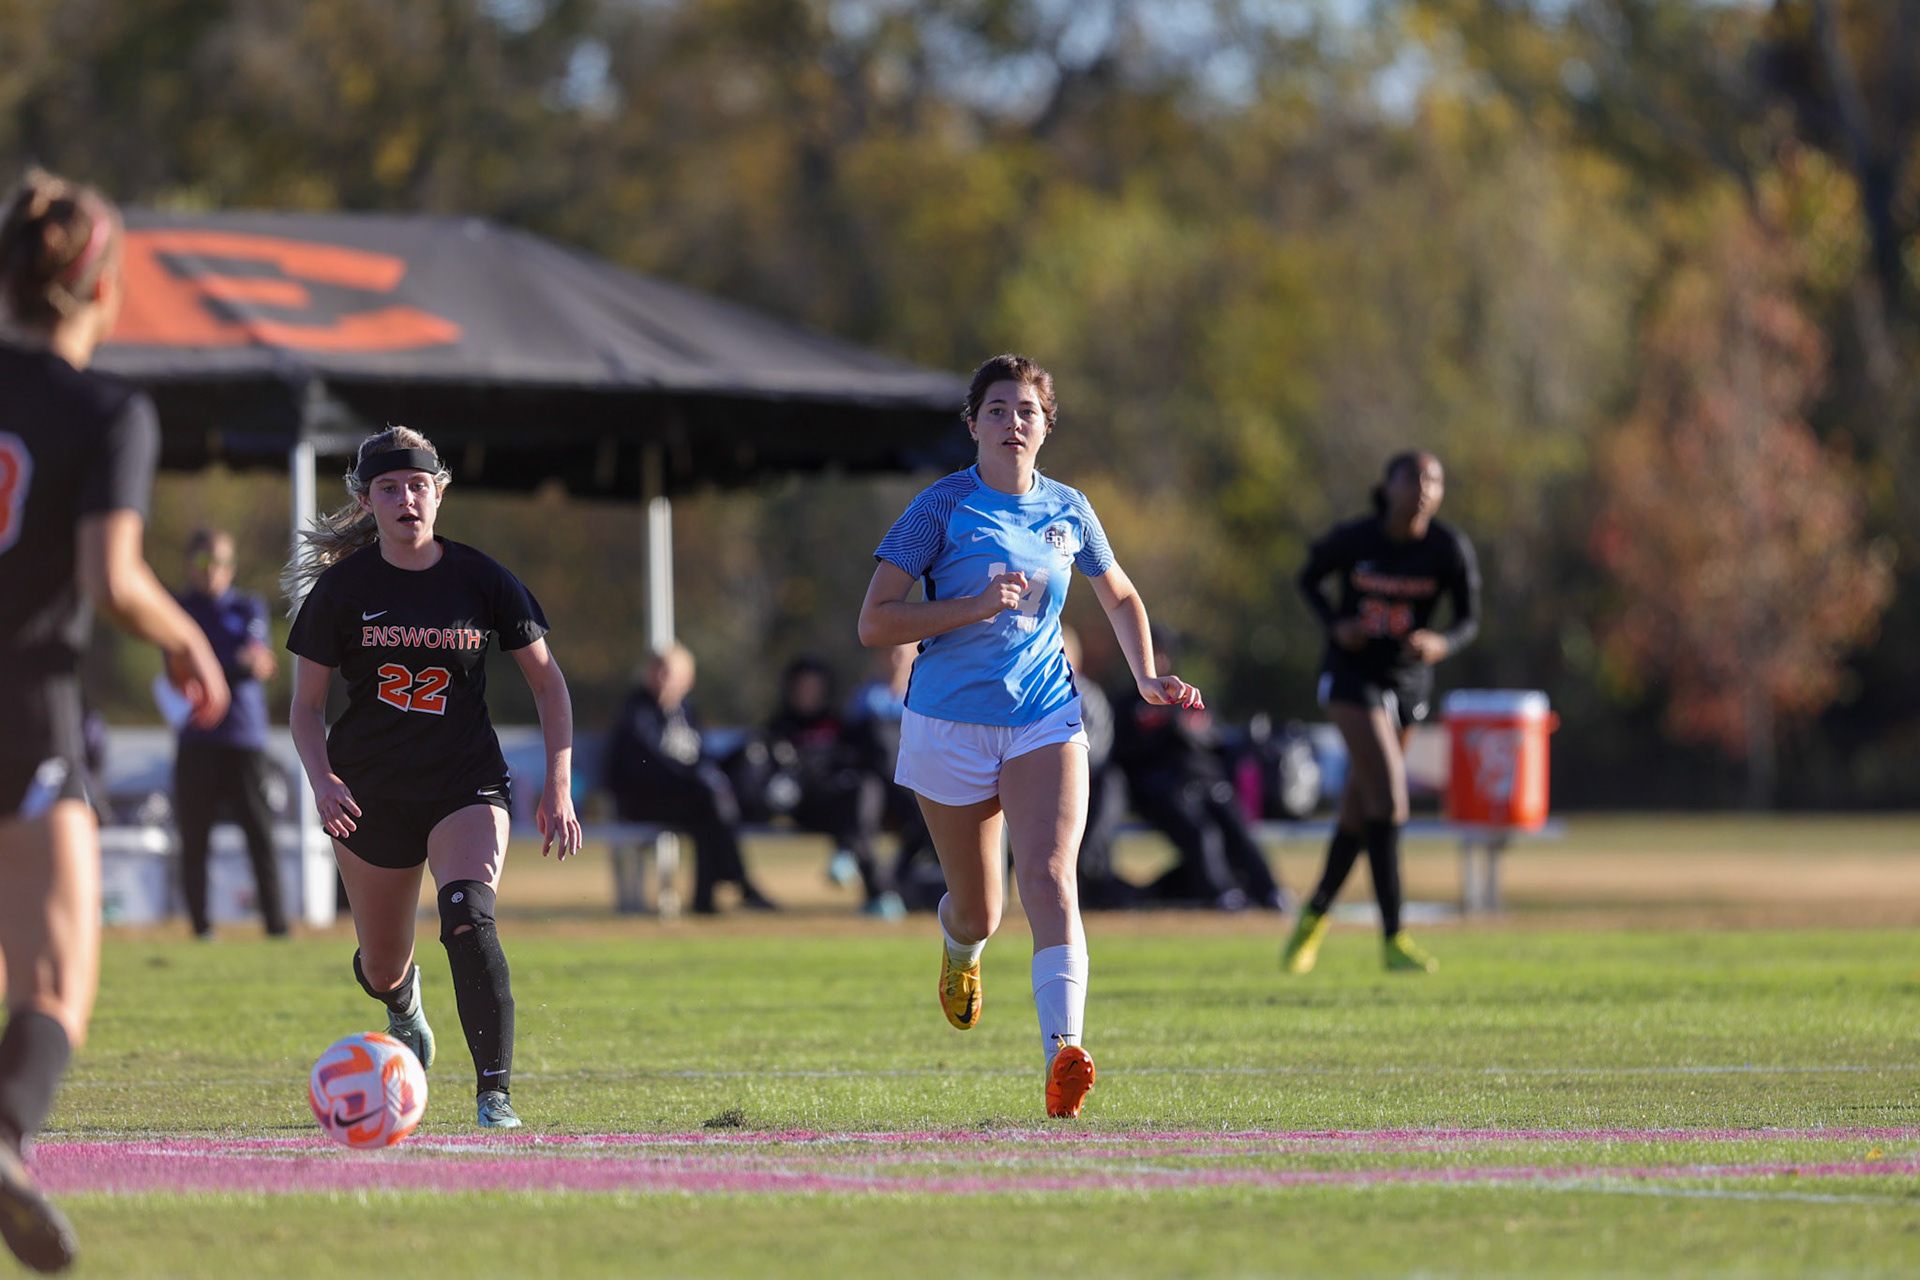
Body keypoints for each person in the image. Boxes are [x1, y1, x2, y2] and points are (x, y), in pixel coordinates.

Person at [858, 352, 1202, 1120]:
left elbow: (1119, 596)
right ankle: (961, 949)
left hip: (1046, 713)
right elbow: (874, 621)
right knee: (981, 908)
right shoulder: (939, 509)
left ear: (1047, 426)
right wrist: (972, 606)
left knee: (1048, 876)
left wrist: (1145, 674)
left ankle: (1063, 1054)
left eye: (1027, 411)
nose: (1013, 423)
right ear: (973, 424)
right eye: (998, 410)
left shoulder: (1070, 509)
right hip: (946, 721)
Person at [0, 169, 230, 1274]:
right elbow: (108, 573)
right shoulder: (108, 410)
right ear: (106, 285)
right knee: (51, 980)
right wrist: (183, 635)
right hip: (24, 696)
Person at [284, 426, 582, 1133]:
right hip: (368, 793)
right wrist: (323, 782)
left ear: (439, 492)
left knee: (468, 917)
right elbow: (303, 708)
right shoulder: (343, 590)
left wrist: (559, 784)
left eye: (418, 485)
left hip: (464, 784)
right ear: (366, 500)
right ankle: (403, 1006)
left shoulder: (480, 579)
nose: (406, 498)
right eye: (388, 487)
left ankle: (494, 1096)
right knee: (383, 965)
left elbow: (550, 686)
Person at [1282, 450, 1479, 975]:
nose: (1423, 488)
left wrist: (1441, 643)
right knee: (1391, 798)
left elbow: (1467, 619)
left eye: (1433, 479)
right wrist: (1333, 624)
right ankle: (1395, 938)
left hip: (1408, 683)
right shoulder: (1357, 538)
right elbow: (1307, 579)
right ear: (1387, 487)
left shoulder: (1447, 548)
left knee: (1358, 811)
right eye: (1412, 478)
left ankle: (1313, 916)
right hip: (1352, 679)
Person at [1112, 631, 1287, 912]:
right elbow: (1123, 752)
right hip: (1162, 789)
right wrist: (1163, 730)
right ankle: (1222, 893)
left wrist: (1179, 726)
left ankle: (1270, 892)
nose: (1157, 659)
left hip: (1207, 783)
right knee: (1203, 834)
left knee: (1238, 830)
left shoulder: (1188, 694)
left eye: (1161, 652)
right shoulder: (1127, 704)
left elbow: (1213, 738)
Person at [173, 527, 287, 940]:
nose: (212, 571)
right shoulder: (177, 609)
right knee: (194, 837)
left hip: (243, 739)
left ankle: (277, 926)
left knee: (260, 835)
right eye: (204, 562)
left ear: (232, 567)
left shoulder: (249, 606)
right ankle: (200, 926)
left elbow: (254, 658)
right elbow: (181, 662)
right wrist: (232, 662)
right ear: (190, 564)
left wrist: (208, 662)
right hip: (196, 739)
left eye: (220, 562)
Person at [605, 644, 775, 915]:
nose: (663, 678)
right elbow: (649, 763)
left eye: (670, 672)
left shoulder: (685, 711)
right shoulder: (638, 712)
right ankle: (739, 882)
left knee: (710, 809)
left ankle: (705, 899)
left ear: (688, 679)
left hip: (689, 799)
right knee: (709, 800)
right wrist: (699, 778)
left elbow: (700, 757)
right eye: (658, 671)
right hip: (645, 800)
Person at [766, 657, 904, 918]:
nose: (809, 693)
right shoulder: (779, 728)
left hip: (841, 804)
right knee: (858, 815)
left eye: (814, 687)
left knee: (865, 789)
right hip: (805, 804)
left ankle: (857, 865)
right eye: (803, 687)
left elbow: (854, 758)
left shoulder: (835, 724)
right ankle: (881, 893)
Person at [844, 643, 939, 908]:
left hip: (914, 785)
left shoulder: (925, 694)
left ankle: (894, 880)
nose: (894, 658)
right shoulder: (864, 698)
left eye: (900, 651)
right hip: (878, 786)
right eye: (888, 651)